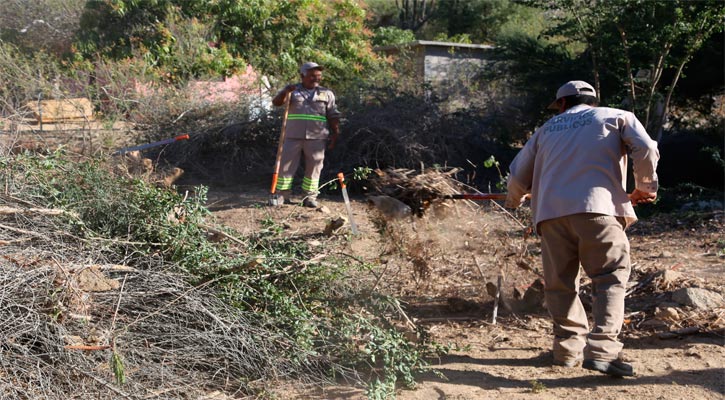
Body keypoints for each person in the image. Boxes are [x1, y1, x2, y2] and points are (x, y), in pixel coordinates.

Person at [505, 80, 659, 377]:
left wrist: (515, 199)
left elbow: (516, 177)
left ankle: (566, 351)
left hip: (549, 216)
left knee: (560, 284)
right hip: (598, 210)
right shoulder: (617, 116)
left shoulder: (545, 130)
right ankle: (602, 351)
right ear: (592, 100)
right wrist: (644, 188)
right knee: (610, 278)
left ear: (561, 104)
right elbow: (647, 148)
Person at [271, 62, 341, 208]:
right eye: (312, 76)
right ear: (302, 76)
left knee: (315, 167)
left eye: (318, 76)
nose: (316, 79)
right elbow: (277, 103)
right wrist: (284, 91)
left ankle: (309, 197)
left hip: (317, 138)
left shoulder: (326, 93)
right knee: (286, 166)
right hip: (292, 135)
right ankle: (282, 195)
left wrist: (335, 133)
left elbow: (333, 115)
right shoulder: (292, 91)